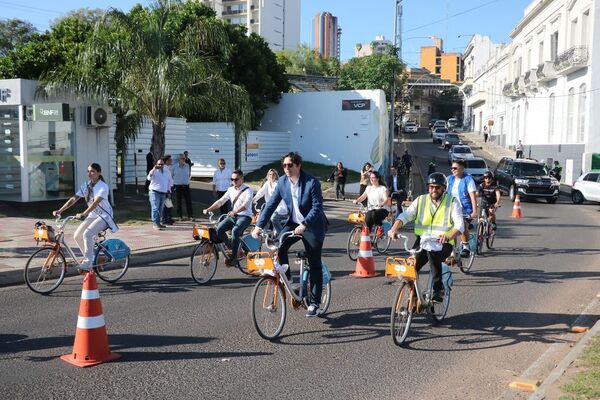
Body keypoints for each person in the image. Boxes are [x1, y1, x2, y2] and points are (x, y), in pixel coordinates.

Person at [251, 152, 328, 317]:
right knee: (280, 247)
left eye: (290, 165)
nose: (286, 168)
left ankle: (315, 303)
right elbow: (270, 205)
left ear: (298, 165)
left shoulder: (311, 182)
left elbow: (317, 207)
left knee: (314, 263)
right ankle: (290, 283)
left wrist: (305, 224)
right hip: (293, 223)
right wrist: (258, 226)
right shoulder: (282, 182)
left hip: (312, 225)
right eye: (284, 165)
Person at [388, 172, 464, 302]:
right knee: (411, 266)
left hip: (443, 243)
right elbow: (406, 216)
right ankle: (414, 296)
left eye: (437, 187)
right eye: (431, 187)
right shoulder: (421, 200)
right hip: (423, 240)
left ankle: (438, 289)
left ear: (443, 188)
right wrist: (394, 228)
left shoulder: (452, 202)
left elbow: (460, 225)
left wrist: (448, 236)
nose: (434, 190)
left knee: (432, 252)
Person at [52, 163, 118, 271]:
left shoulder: (103, 186)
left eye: (92, 171)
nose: (90, 174)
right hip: (93, 215)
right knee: (77, 235)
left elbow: (95, 203)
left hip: (105, 216)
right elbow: (74, 198)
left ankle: (88, 262)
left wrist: (84, 213)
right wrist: (60, 210)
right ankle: (94, 258)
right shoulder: (86, 185)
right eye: (88, 171)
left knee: (87, 234)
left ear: (99, 173)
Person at [203, 169, 253, 266]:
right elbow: (221, 201)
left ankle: (234, 257)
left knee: (235, 231)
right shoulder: (230, 189)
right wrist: (209, 209)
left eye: (236, 179)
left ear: (242, 179)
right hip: (233, 216)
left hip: (245, 216)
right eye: (232, 179)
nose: (233, 181)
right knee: (219, 229)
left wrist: (235, 211)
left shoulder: (248, 190)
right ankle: (232, 247)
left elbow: (246, 205)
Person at [447, 159, 478, 257]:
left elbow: (473, 196)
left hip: (465, 210)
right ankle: (451, 249)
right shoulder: (449, 179)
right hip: (452, 209)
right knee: (451, 228)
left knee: (463, 224)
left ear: (462, 168)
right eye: (451, 168)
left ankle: (466, 246)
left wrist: (474, 211)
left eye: (455, 168)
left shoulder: (468, 179)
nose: (453, 170)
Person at [353, 171, 390, 236]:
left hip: (382, 209)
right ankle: (367, 239)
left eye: (373, 177)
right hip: (371, 210)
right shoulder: (368, 188)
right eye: (370, 178)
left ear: (378, 178)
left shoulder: (383, 188)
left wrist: (382, 204)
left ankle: (380, 227)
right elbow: (363, 197)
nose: (371, 179)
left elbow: (386, 199)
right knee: (367, 222)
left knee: (373, 213)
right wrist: (357, 200)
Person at [253, 169, 288, 236]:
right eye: (270, 174)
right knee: (264, 213)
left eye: (273, 174)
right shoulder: (267, 183)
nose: (271, 176)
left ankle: (282, 234)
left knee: (273, 218)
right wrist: (255, 198)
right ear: (268, 176)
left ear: (276, 176)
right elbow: (261, 192)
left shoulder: (277, 184)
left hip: (280, 206)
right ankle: (265, 231)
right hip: (270, 206)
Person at [147, 157, 171, 230]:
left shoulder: (167, 171)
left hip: (163, 193)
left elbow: (169, 181)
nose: (160, 165)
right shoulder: (154, 171)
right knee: (155, 208)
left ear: (164, 164)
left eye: (162, 164)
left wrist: (169, 191)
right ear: (156, 164)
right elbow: (149, 178)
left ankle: (158, 223)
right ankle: (155, 224)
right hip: (154, 192)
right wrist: (154, 168)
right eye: (159, 164)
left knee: (160, 209)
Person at [172, 153, 194, 221]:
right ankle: (179, 216)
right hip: (177, 186)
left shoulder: (187, 166)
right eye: (183, 158)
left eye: (185, 158)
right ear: (179, 159)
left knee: (188, 201)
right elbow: (171, 176)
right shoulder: (174, 166)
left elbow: (189, 174)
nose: (184, 160)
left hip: (186, 186)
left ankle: (190, 216)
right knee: (179, 202)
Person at [161, 155, 175, 226]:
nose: (171, 161)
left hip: (170, 188)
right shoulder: (164, 169)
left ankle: (168, 218)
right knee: (166, 205)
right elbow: (166, 181)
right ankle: (164, 219)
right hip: (166, 189)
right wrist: (168, 190)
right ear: (166, 161)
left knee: (169, 204)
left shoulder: (168, 168)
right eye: (170, 160)